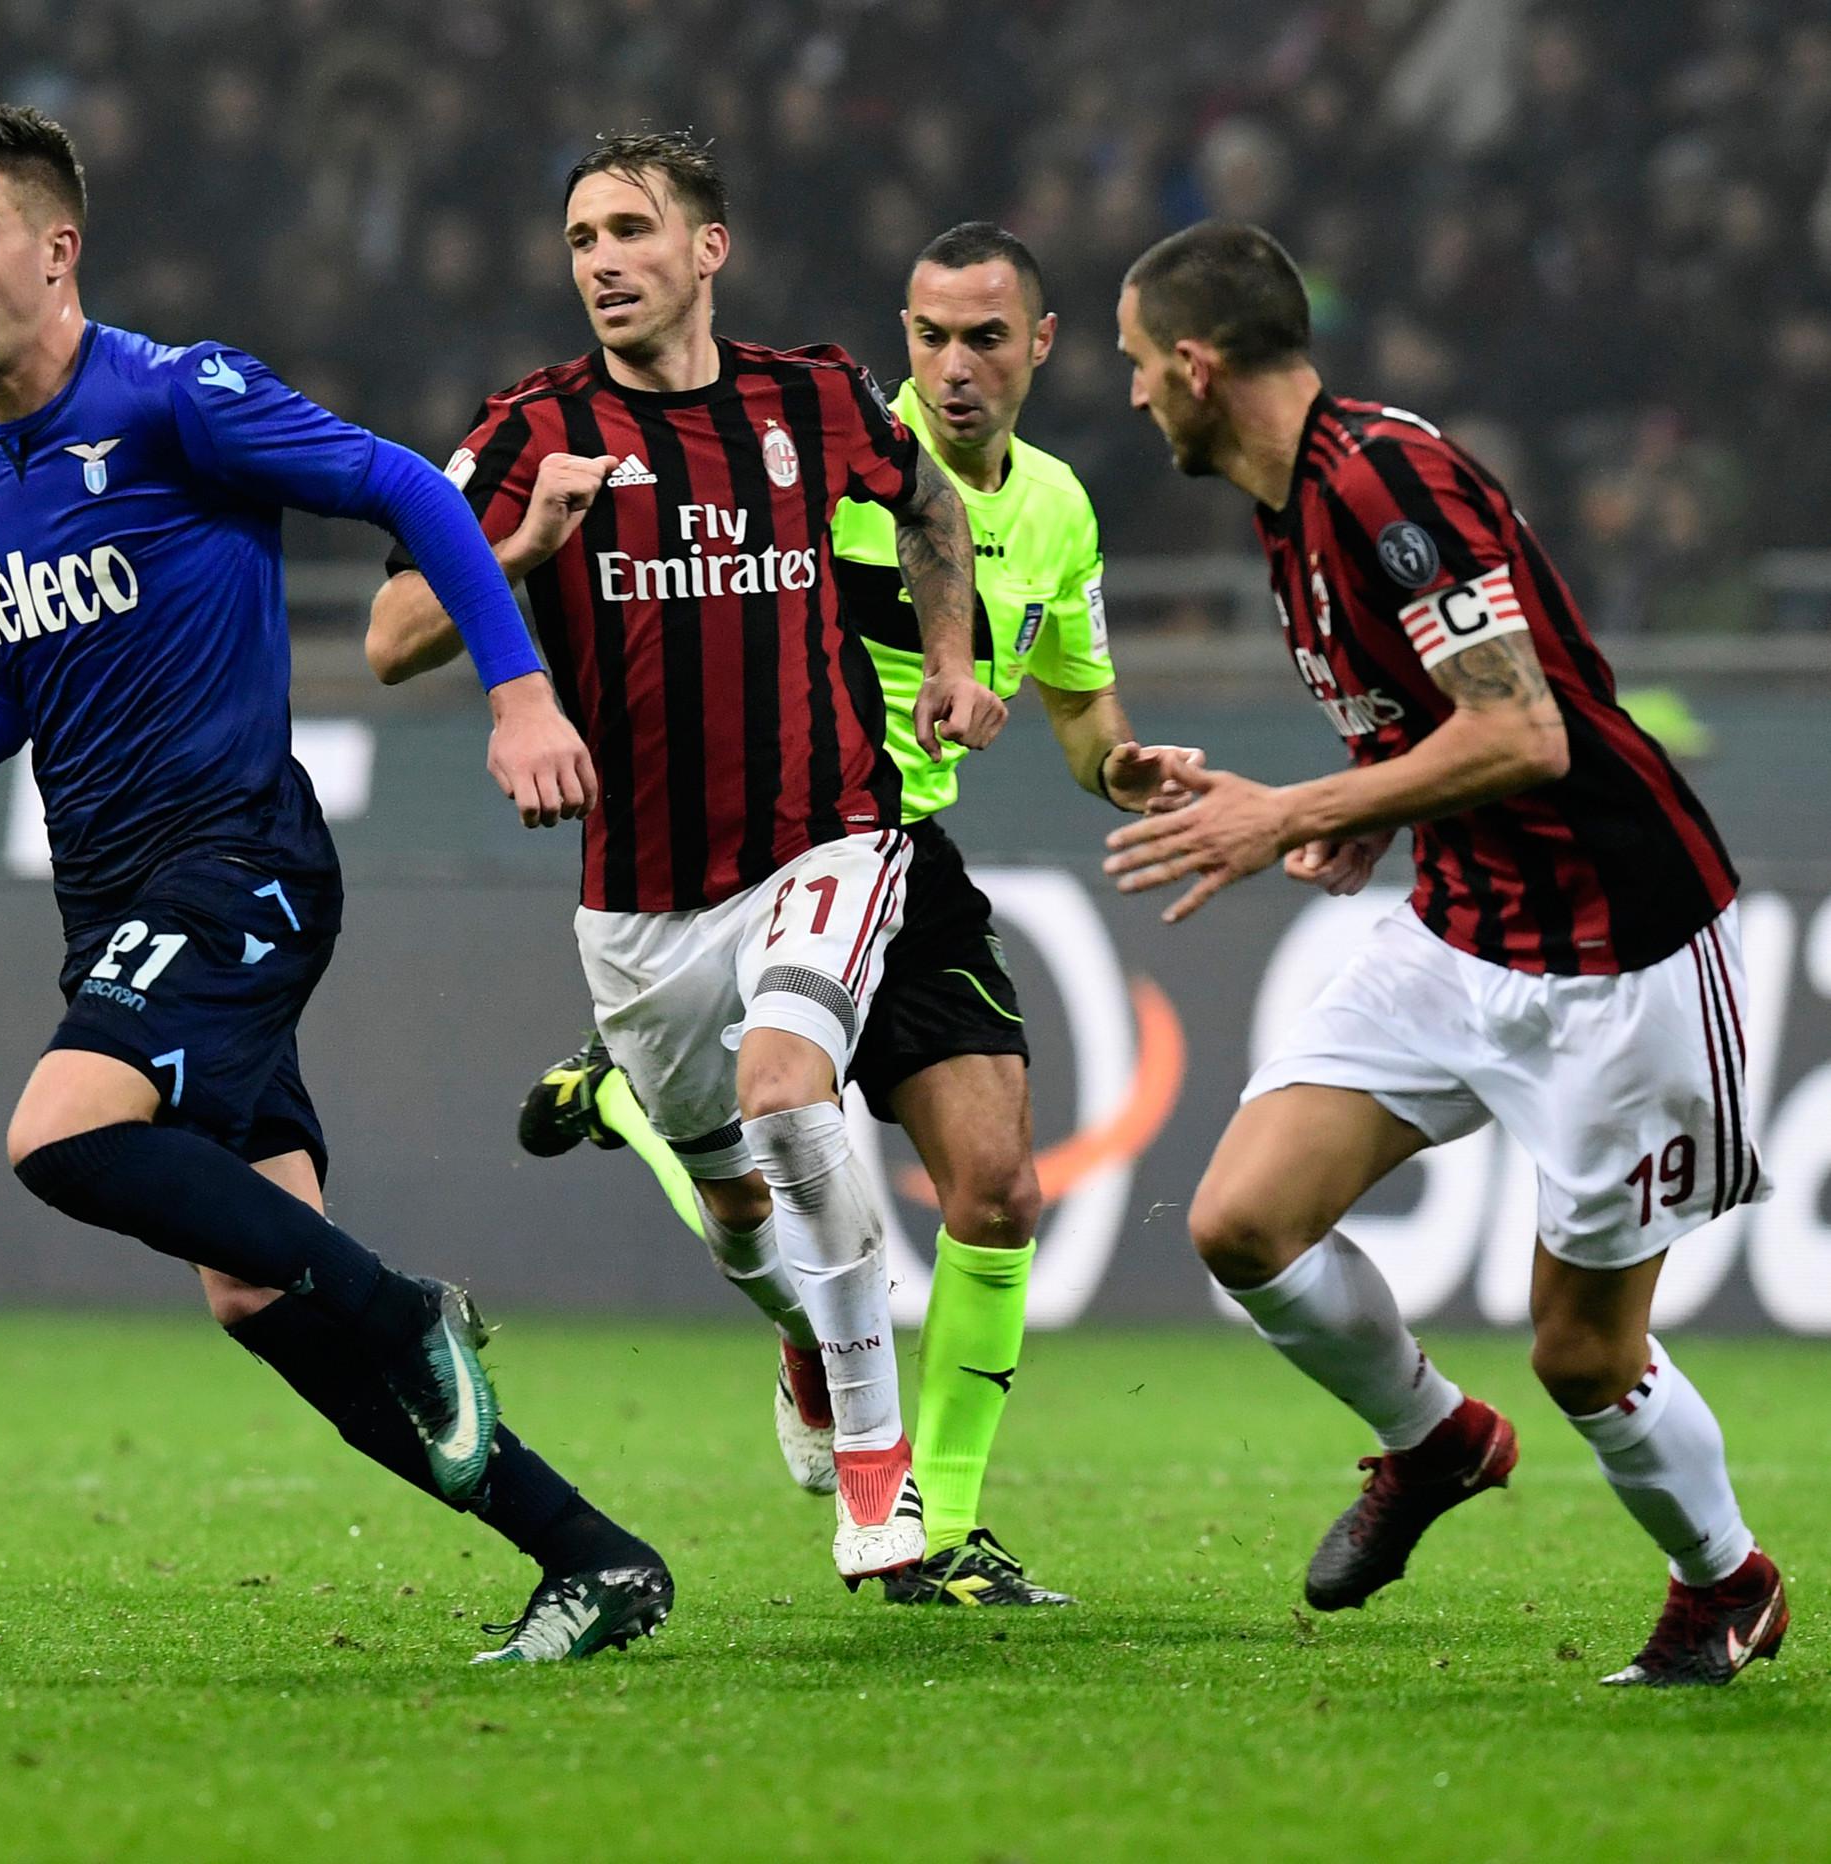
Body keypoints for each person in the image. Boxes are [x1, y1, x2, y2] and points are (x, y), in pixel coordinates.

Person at [0, 105, 671, 1662]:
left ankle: (410, 1311)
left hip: (238, 861)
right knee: (257, 1293)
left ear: (59, 250)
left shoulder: (181, 399)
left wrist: (519, 693)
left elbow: (407, 492)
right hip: (110, 903)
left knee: (57, 1135)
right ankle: (592, 1557)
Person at [1106, 221, 1783, 1687]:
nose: (1136, 393)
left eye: (1140, 363)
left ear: (1200, 366)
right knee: (1241, 1223)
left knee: (1585, 1358)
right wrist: (1360, 820)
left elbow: (1525, 729)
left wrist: (1298, 804)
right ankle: (1432, 1443)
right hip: (1462, 927)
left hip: (1619, 949)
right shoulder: (1290, 503)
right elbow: (1445, 732)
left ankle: (1726, 1584)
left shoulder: (1380, 482)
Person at [497, 223, 1198, 1607]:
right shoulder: (815, 447)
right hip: (780, 843)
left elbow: (1077, 702)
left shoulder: (1056, 508)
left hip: (902, 856)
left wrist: (1121, 765)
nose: (951, 368)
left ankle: (947, 1523)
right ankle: (644, 1110)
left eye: (985, 340)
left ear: (1040, 347)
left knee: (995, 1188)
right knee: (762, 1167)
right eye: (928, 337)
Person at [364, 133, 1005, 1588]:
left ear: (705, 251)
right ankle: (800, 1337)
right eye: (583, 236)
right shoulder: (531, 430)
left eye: (633, 231)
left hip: (827, 834)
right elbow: (391, 637)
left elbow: (934, 509)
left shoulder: (813, 396)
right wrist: (521, 543)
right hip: (641, 901)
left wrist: (956, 661)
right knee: (734, 1211)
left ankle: (876, 1474)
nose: (602, 261)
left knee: (792, 1093)